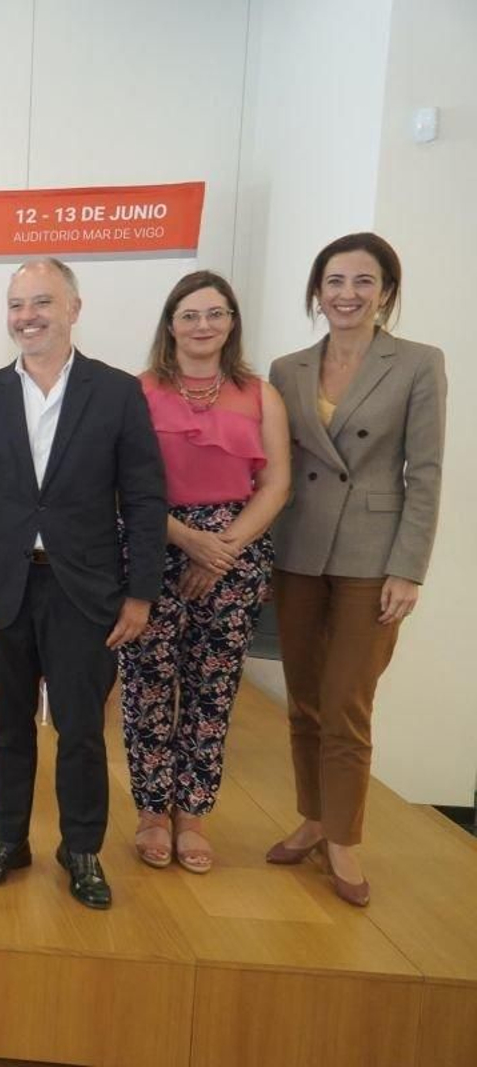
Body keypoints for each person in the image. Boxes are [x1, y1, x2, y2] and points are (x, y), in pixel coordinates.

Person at [0, 258, 166, 910]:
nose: (27, 316)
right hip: (2, 592)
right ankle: (8, 839)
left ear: (74, 308)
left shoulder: (117, 392)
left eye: (42, 302)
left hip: (84, 592)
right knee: (8, 727)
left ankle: (82, 848)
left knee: (80, 729)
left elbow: (147, 499)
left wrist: (140, 592)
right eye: (16, 304)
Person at [264, 233, 446, 906]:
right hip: (300, 548)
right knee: (304, 699)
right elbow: (276, 464)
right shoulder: (288, 368)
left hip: (373, 557)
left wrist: (410, 567)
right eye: (335, 280)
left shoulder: (418, 364)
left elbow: (424, 473)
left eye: (363, 281)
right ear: (317, 291)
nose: (347, 293)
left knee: (348, 702)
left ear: (386, 292)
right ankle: (312, 815)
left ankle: (343, 836)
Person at [117, 271, 290, 874]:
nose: (203, 326)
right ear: (171, 324)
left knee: (211, 690)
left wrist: (223, 549)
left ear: (232, 322)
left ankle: (192, 813)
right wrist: (189, 539)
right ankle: (150, 811)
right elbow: (127, 485)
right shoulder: (137, 392)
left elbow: (276, 484)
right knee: (147, 686)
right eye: (189, 315)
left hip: (234, 559)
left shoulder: (261, 393)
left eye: (215, 314)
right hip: (154, 544)